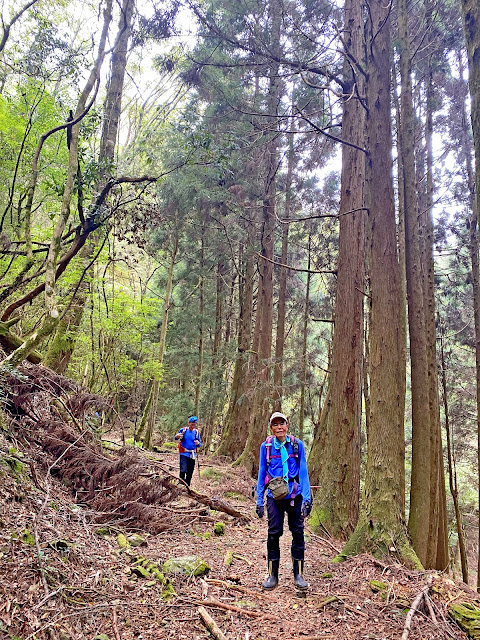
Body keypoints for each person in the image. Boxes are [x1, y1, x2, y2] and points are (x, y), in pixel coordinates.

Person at [255, 412, 312, 591]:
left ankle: (299, 575)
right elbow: (262, 473)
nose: (279, 427)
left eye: (282, 423)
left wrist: (307, 499)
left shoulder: (297, 445)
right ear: (271, 428)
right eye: (275, 424)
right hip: (274, 497)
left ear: (287, 426)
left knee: (298, 533)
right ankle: (273, 575)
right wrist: (259, 500)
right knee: (273, 533)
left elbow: (303, 470)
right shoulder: (266, 447)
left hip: (295, 496)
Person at [174, 416, 202, 486]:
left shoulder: (196, 433)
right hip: (183, 453)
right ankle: (180, 484)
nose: (193, 426)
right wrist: (177, 436)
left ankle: (187, 486)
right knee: (183, 469)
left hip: (192, 454)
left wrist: (198, 443)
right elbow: (176, 437)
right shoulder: (183, 430)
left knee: (190, 472)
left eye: (194, 424)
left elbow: (199, 444)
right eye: (192, 424)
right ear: (188, 423)